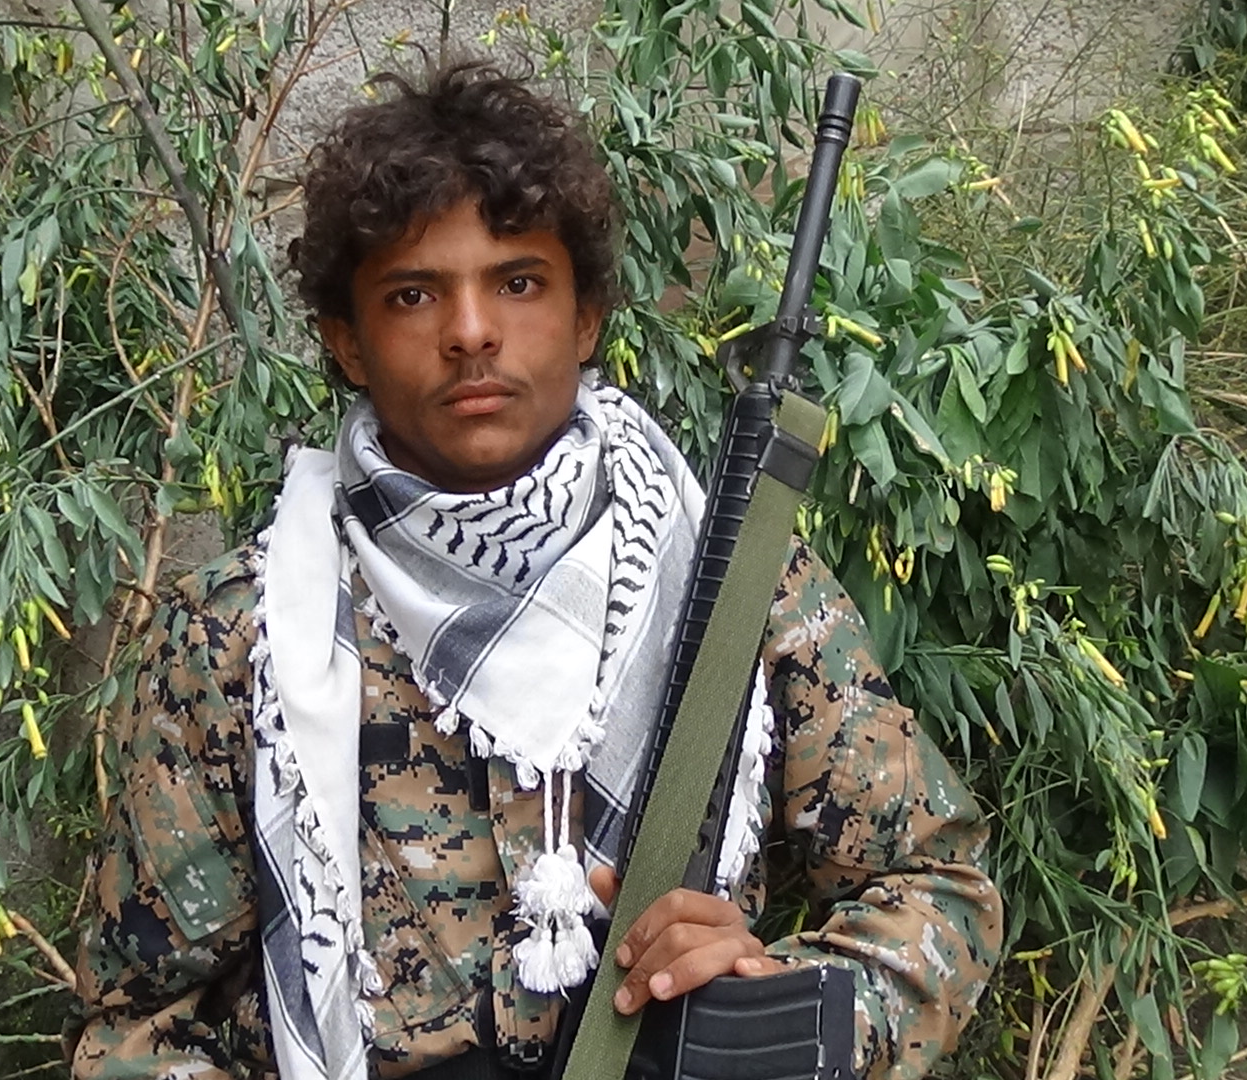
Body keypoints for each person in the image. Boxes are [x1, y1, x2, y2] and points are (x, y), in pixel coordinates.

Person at [70, 60, 1002, 1080]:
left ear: (586, 316)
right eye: (414, 294)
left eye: (518, 283)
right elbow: (137, 1029)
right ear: (347, 341)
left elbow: (941, 889)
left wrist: (779, 1010)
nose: (472, 332)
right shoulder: (243, 638)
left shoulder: (732, 585)